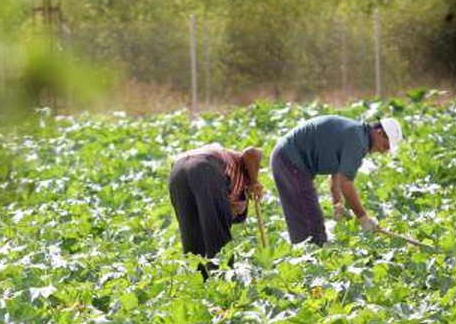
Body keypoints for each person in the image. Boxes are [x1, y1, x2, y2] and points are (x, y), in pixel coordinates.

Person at [270, 115, 402, 245]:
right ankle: (307, 260)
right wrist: (363, 217)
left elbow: (337, 175)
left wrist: (337, 204)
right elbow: (346, 183)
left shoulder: (357, 133)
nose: (383, 151)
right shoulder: (359, 140)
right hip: (290, 159)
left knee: (309, 222)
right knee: (312, 230)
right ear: (379, 132)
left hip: (287, 158)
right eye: (386, 146)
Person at [169, 143, 263, 279]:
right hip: (205, 166)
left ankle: (198, 286)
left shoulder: (225, 187)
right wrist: (254, 181)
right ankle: (224, 284)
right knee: (218, 235)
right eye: (236, 212)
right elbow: (253, 152)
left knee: (192, 237)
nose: (234, 213)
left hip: (177, 171)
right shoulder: (243, 173)